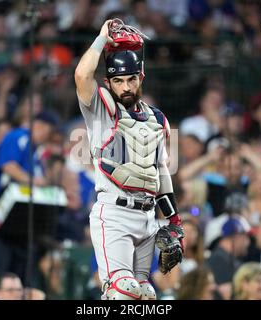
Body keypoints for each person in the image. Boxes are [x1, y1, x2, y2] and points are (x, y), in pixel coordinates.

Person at [74, 19, 184, 300]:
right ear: (108, 82)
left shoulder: (156, 119)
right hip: (114, 214)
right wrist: (101, 38)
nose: (125, 87)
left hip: (147, 217)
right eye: (118, 81)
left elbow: (160, 170)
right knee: (123, 292)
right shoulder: (101, 110)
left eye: (131, 79)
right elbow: (82, 76)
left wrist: (174, 221)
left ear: (141, 77)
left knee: (146, 294)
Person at [0, 111, 56, 278]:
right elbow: (8, 165)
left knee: (17, 276)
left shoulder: (36, 151)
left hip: (18, 223)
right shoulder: (19, 137)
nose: (47, 138)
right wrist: (35, 181)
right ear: (39, 126)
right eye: (48, 132)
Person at [206, 215, 250, 300]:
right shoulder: (218, 259)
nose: (248, 242)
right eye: (245, 237)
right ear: (236, 237)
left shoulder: (229, 258)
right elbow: (225, 293)